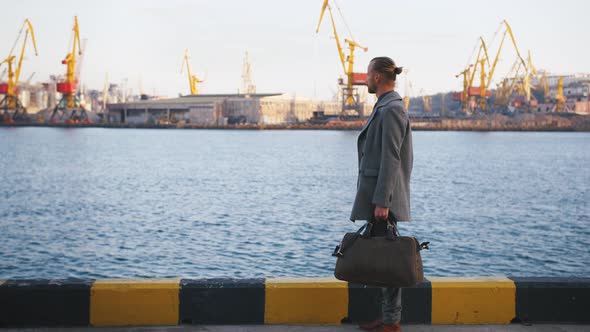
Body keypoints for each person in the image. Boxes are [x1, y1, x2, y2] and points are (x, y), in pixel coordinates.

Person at [350, 56, 413, 332]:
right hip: (379, 196)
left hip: (383, 199)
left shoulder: (392, 110)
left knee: (388, 259)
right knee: (382, 257)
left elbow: (391, 158)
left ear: (377, 77)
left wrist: (382, 202)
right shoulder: (384, 107)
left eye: (367, 74)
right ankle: (389, 318)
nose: (364, 79)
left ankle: (392, 322)